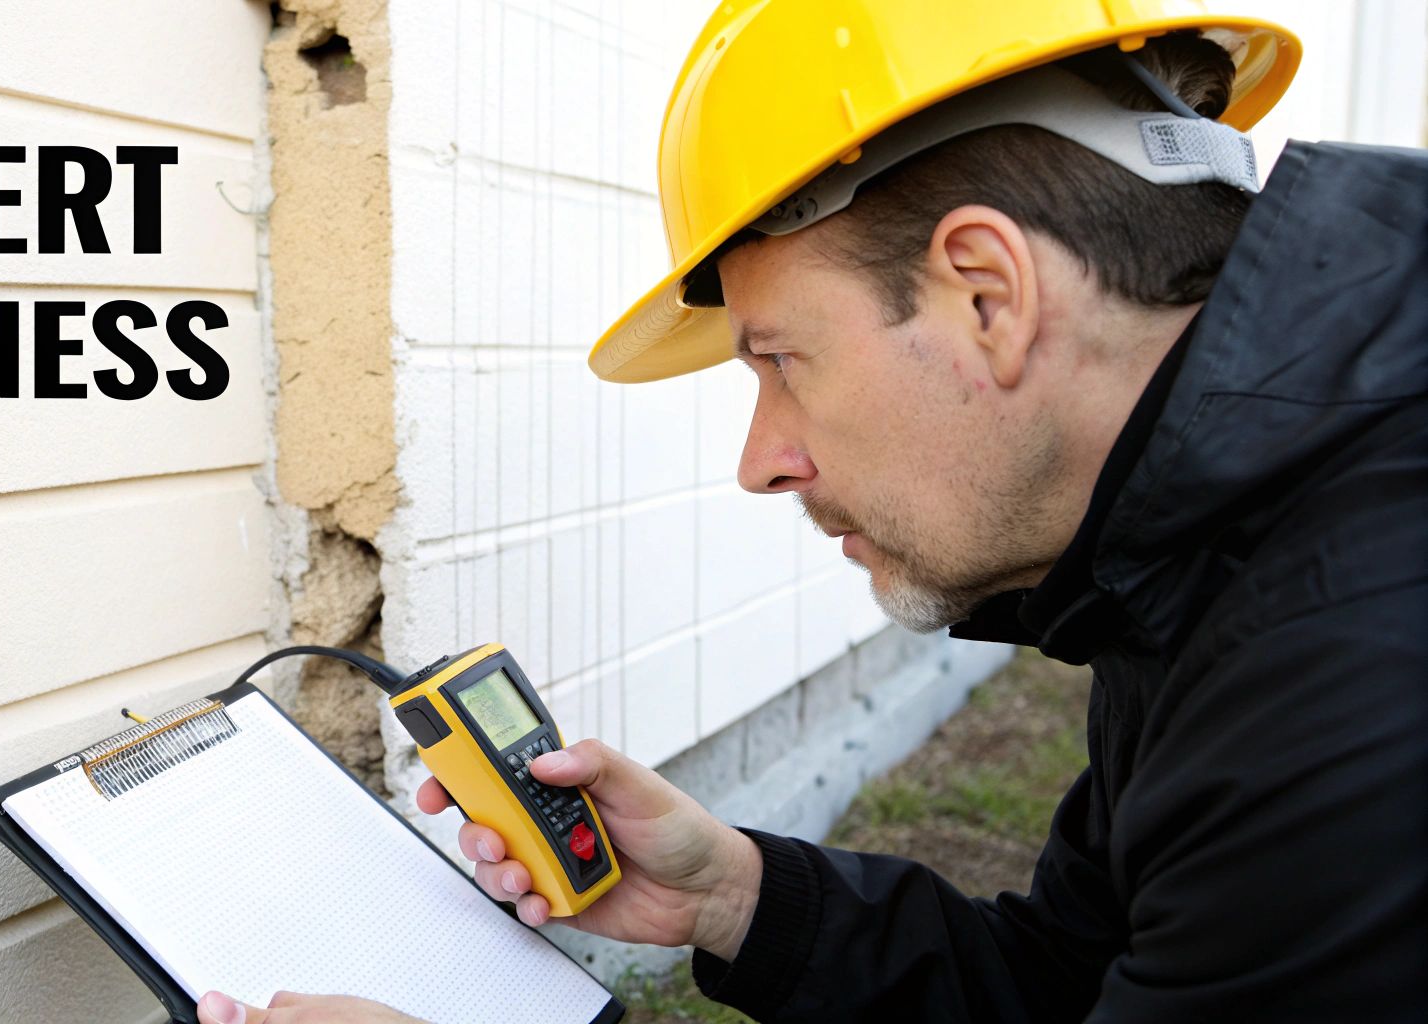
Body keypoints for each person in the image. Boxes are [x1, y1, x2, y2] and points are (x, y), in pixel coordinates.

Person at [194, 1, 1428, 1020]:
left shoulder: (1356, 651)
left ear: (985, 295)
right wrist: (734, 896)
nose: (760, 461)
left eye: (778, 359)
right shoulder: (1203, 535)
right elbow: (1065, 983)